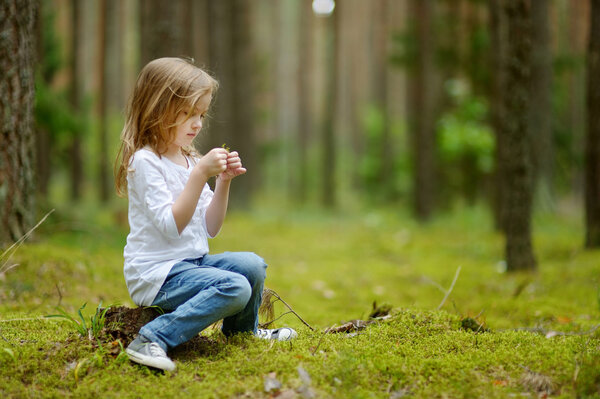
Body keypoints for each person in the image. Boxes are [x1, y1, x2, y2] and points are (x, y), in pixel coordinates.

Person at [114, 57, 296, 372]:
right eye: (186, 114)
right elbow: (171, 227)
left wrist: (222, 181)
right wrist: (200, 174)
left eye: (200, 113)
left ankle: (242, 332)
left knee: (251, 266)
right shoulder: (145, 162)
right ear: (157, 110)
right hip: (158, 276)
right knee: (235, 287)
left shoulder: (189, 158)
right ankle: (151, 338)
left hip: (193, 264)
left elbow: (211, 228)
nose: (197, 123)